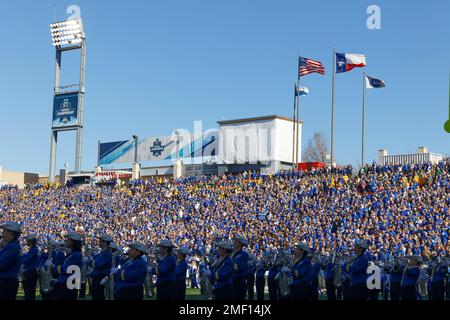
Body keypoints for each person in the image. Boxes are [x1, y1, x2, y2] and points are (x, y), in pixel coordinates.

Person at [53, 232, 83, 300]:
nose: (66, 240)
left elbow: (66, 269)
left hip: (69, 285)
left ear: (73, 242)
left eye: (68, 239)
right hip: (66, 283)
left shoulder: (76, 254)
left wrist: (53, 268)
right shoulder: (71, 254)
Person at [0, 221, 22, 300]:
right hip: (7, 281)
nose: (3, 233)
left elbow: (2, 265)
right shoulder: (12, 246)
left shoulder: (12, 247)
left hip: (6, 282)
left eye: (5, 231)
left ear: (11, 234)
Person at [89, 234, 113, 300]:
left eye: (100, 241)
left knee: (98, 296)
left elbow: (98, 264)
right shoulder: (103, 252)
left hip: (101, 277)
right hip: (97, 277)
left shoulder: (107, 253)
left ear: (105, 243)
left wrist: (89, 260)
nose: (99, 243)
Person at [21, 233, 40, 300]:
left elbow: (26, 260)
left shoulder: (33, 250)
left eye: (27, 240)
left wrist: (20, 258)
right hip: (31, 271)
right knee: (30, 292)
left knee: (29, 292)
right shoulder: (33, 249)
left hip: (30, 272)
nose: (26, 241)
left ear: (30, 241)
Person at [232, 235, 249, 300]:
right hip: (231, 280)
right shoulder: (231, 254)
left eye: (235, 241)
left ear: (240, 244)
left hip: (239, 281)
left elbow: (238, 268)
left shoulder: (244, 255)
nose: (233, 243)